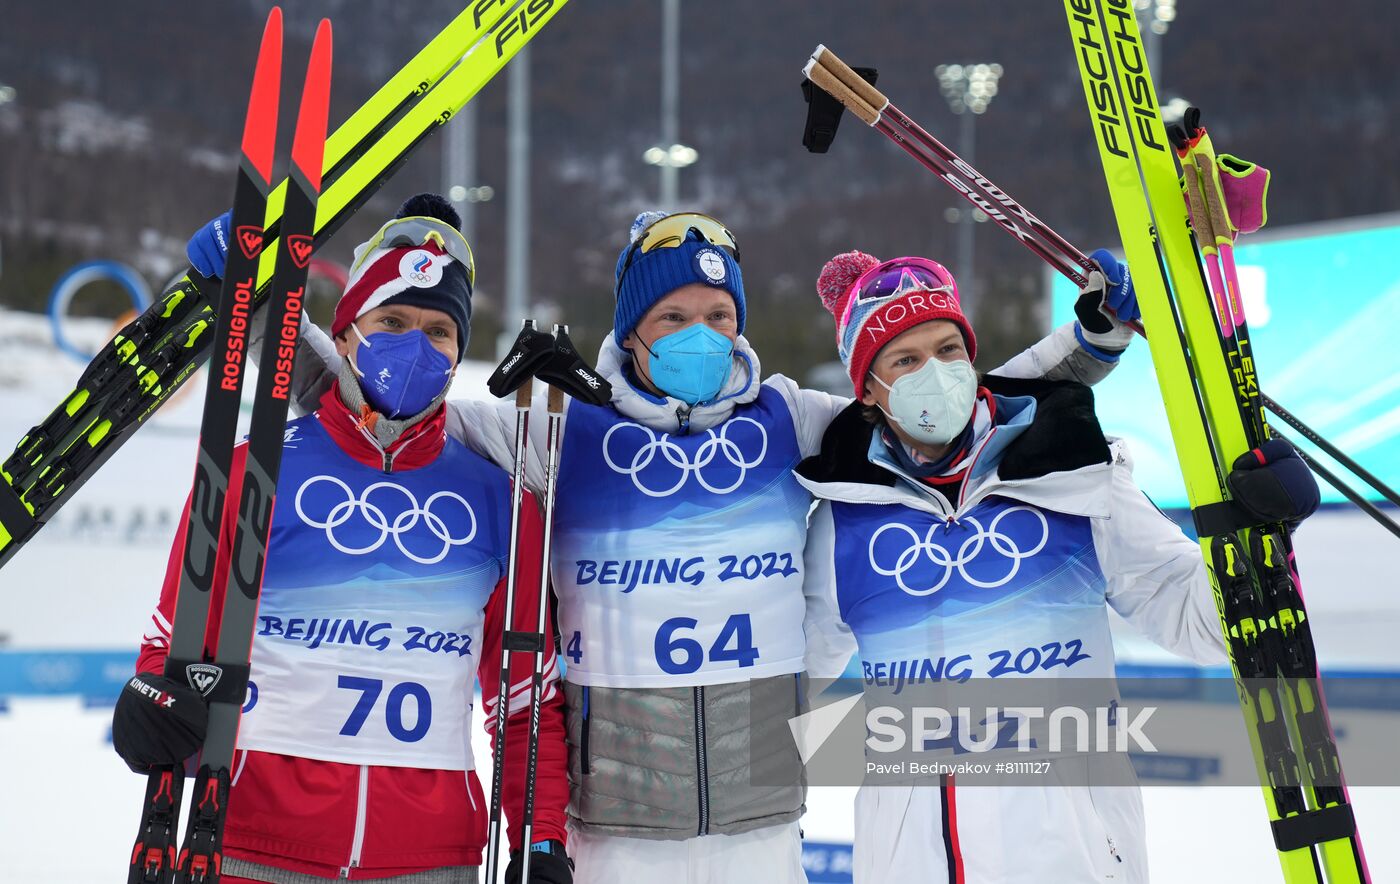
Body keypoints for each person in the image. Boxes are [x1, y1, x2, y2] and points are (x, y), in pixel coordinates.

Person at [221, 208, 1139, 883]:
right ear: (632, 328)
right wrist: (259, 301)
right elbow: (376, 402)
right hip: (613, 828)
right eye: (673, 318)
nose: (701, 334)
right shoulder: (557, 428)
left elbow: (940, 393)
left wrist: (1087, 344)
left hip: (762, 823)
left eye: (720, 315)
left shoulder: (790, 419)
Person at [796, 250, 1321, 883]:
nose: (935, 373)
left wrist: (1257, 540)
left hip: (1072, 856)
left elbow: (1198, 622)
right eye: (905, 361)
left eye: (948, 350)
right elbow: (786, 679)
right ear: (870, 393)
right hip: (909, 862)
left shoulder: (1070, 473)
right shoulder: (846, 519)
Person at [112, 195, 573, 884]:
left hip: (429, 856)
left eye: (438, 332)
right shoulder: (256, 468)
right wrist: (152, 702)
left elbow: (523, 704)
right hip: (253, 843)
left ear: (459, 351)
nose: (415, 345)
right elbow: (174, 644)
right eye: (391, 321)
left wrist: (539, 840)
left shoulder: (497, 498)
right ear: (347, 333)